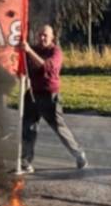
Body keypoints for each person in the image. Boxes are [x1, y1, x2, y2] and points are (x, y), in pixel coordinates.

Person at [20, 24, 87, 173]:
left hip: (50, 96)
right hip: (32, 94)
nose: (42, 38)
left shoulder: (56, 52)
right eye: (40, 35)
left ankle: (78, 154)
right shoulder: (33, 49)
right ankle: (26, 161)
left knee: (59, 128)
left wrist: (29, 51)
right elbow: (23, 67)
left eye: (45, 35)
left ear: (52, 37)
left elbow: (47, 67)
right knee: (28, 129)